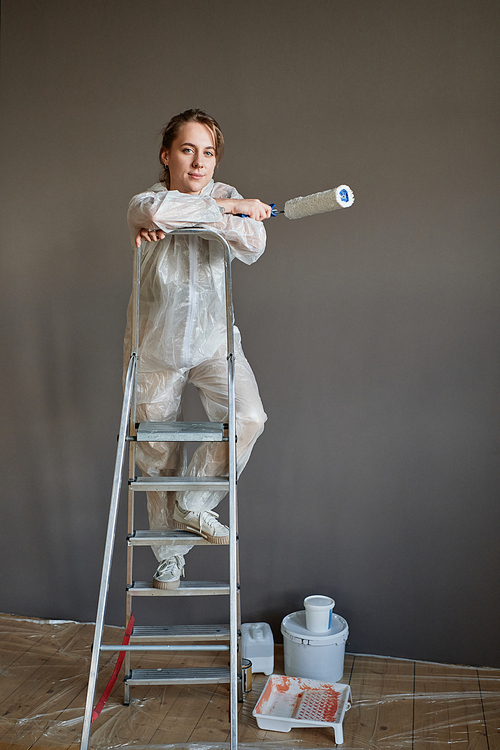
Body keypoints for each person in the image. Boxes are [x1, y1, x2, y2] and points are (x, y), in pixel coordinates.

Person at [125, 109, 270, 590]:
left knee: (249, 418)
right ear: (167, 155)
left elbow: (254, 245)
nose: (199, 162)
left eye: (208, 153)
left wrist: (231, 211)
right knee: (158, 453)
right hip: (156, 345)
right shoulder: (146, 201)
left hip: (214, 344)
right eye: (188, 150)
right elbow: (159, 212)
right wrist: (230, 210)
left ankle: (194, 504)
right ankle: (169, 557)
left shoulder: (226, 196)